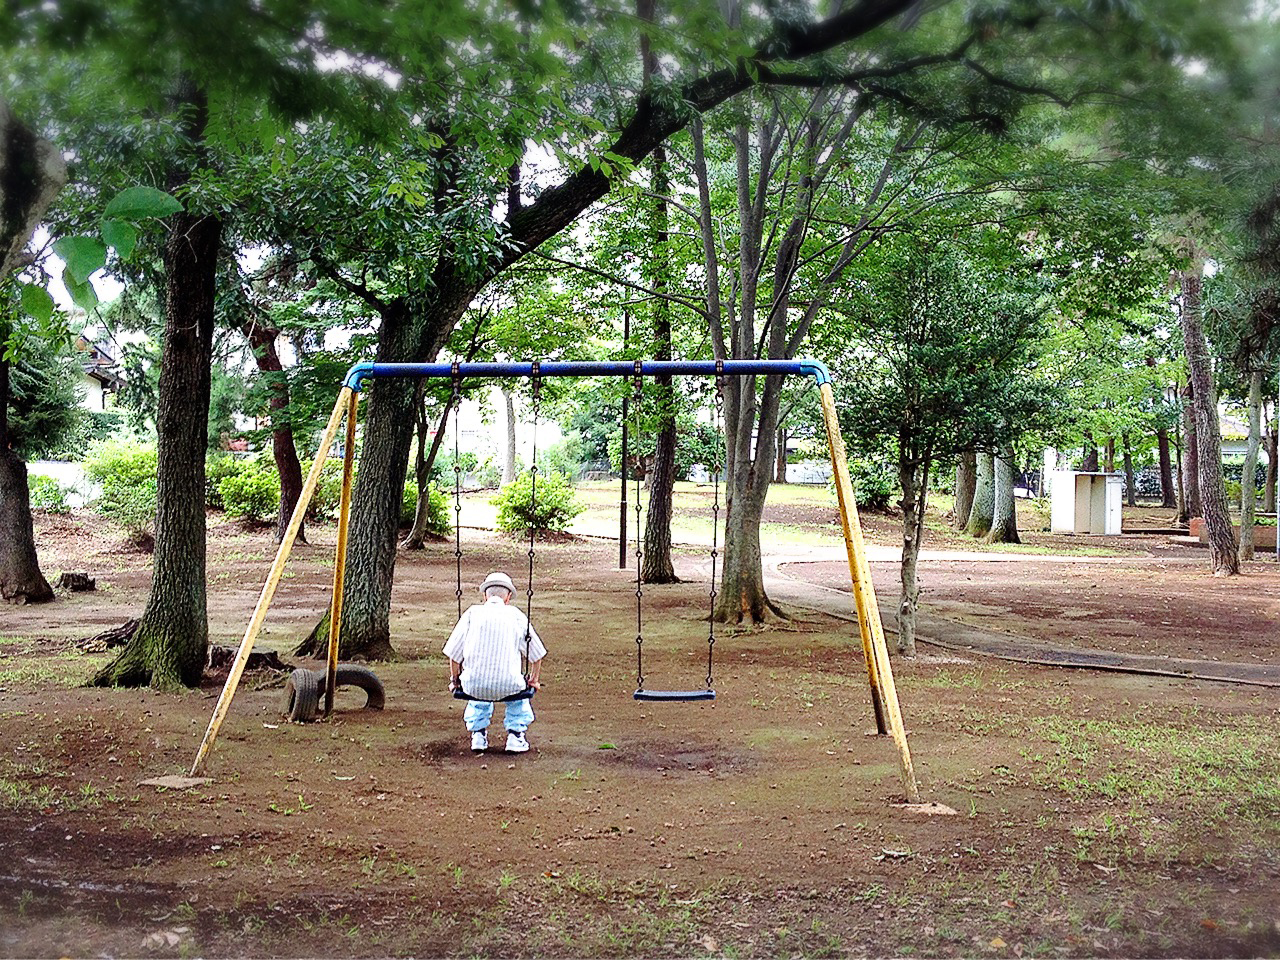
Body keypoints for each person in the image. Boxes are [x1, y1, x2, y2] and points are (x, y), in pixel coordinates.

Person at [443, 571, 547, 754]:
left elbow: (453, 654)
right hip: (510, 685)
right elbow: (536, 654)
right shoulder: (516, 615)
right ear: (507, 597)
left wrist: (454, 680)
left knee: (477, 688)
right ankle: (516, 735)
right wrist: (534, 679)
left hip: (473, 685)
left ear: (485, 596)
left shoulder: (472, 613)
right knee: (520, 694)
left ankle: (478, 734)